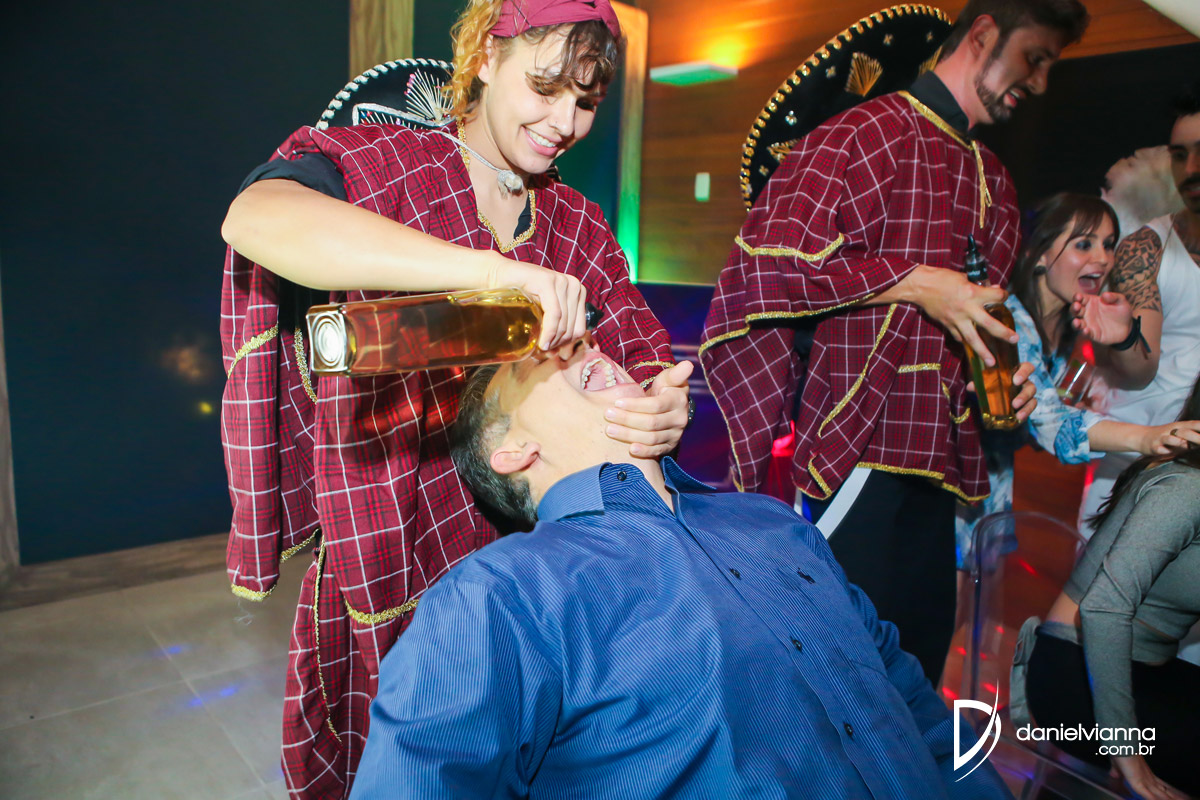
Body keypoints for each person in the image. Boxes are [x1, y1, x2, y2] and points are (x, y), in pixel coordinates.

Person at [219, 1, 691, 795]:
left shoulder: (577, 222)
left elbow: (643, 354)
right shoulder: (387, 164)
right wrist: (490, 274)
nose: (565, 123)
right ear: (485, 57)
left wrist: (660, 406)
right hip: (397, 537)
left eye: (585, 101)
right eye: (545, 88)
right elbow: (257, 217)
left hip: (542, 558)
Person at [347, 341, 1014, 799]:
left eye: (580, 339)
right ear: (513, 449)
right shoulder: (498, 596)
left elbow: (912, 701)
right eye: (534, 359)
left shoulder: (769, 520)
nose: (578, 344)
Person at [701, 0, 1089, 684]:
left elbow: (982, 324)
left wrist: (1008, 384)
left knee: (915, 678)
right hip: (858, 456)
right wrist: (916, 282)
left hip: (944, 472)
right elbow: (766, 270)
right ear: (984, 33)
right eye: (1035, 58)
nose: (1041, 82)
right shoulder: (860, 133)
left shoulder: (995, 180)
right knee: (833, 678)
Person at [955, 193, 1200, 566]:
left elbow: (1033, 417)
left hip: (989, 493)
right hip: (958, 497)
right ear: (1039, 254)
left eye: (1109, 244)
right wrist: (1148, 437)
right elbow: (1052, 425)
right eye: (1084, 244)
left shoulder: (1066, 328)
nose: (1103, 258)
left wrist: (1122, 338)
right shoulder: (1008, 321)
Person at [1012, 371, 1200, 800]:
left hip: (1137, 666)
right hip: (1072, 673)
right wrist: (1127, 750)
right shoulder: (1187, 488)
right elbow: (1102, 609)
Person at [1077, 80, 1200, 532]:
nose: (1191, 169)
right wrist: (1125, 335)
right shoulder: (1146, 247)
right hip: (1139, 464)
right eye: (1180, 155)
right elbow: (1138, 371)